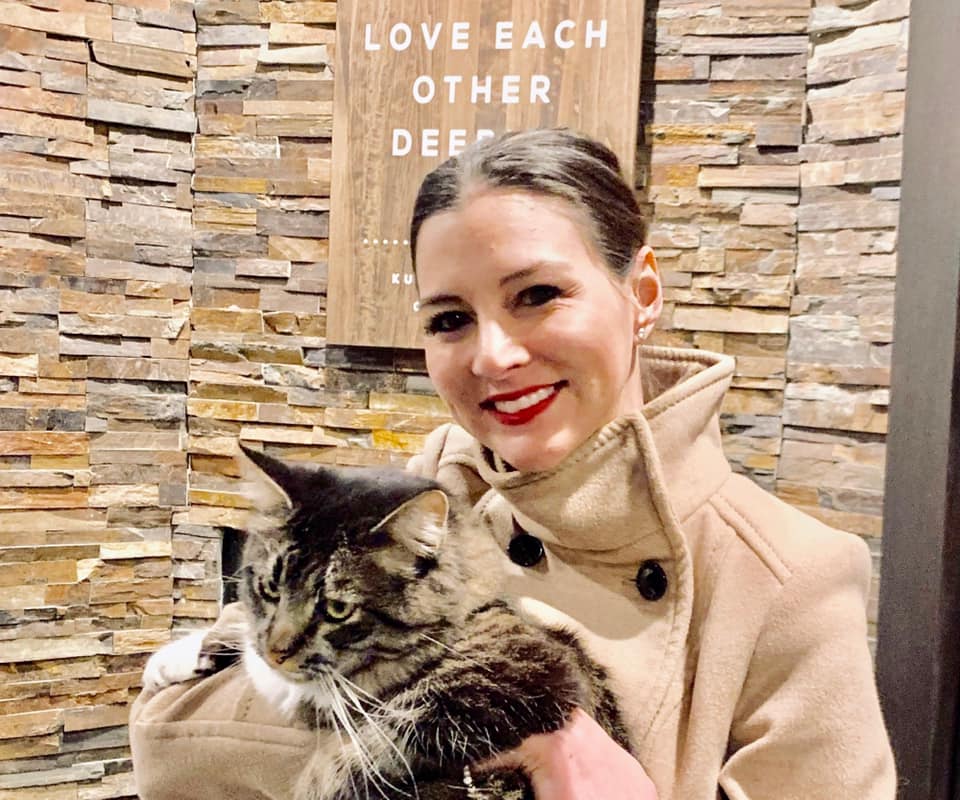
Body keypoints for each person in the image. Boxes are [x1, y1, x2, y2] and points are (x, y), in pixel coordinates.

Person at [130, 128, 896, 799]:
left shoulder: (788, 576)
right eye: (451, 318)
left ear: (641, 293)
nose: (494, 356)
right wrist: (535, 736)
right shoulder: (434, 485)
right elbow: (168, 736)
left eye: (537, 294)